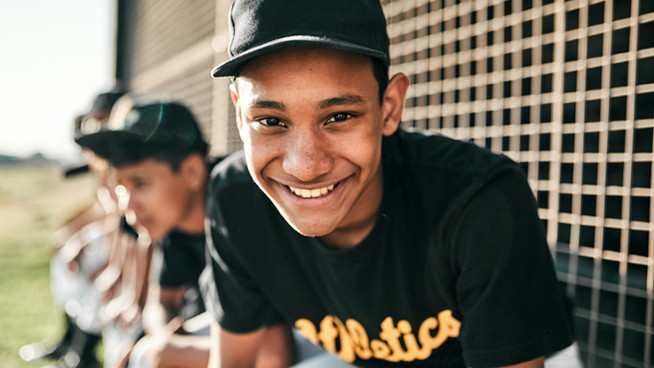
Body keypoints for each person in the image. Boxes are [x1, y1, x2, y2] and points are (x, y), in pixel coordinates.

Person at [201, 0, 576, 367]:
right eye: (270, 121)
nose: (306, 166)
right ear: (238, 112)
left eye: (340, 116)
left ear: (390, 107)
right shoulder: (235, 200)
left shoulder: (478, 200)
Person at [75, 95, 293, 368]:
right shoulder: (176, 221)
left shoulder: (236, 204)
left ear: (192, 172)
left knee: (149, 356)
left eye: (140, 184)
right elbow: (160, 301)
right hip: (261, 345)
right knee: (145, 352)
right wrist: (165, 334)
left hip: (331, 342)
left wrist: (168, 351)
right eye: (120, 187)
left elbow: (272, 357)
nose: (126, 203)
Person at [20, 89, 129, 368]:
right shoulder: (99, 158)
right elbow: (101, 206)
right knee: (69, 253)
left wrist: (86, 243)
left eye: (104, 121)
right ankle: (70, 343)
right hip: (119, 236)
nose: (98, 130)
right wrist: (74, 232)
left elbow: (124, 215)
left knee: (92, 267)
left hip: (130, 244)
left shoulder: (126, 154)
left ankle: (82, 352)